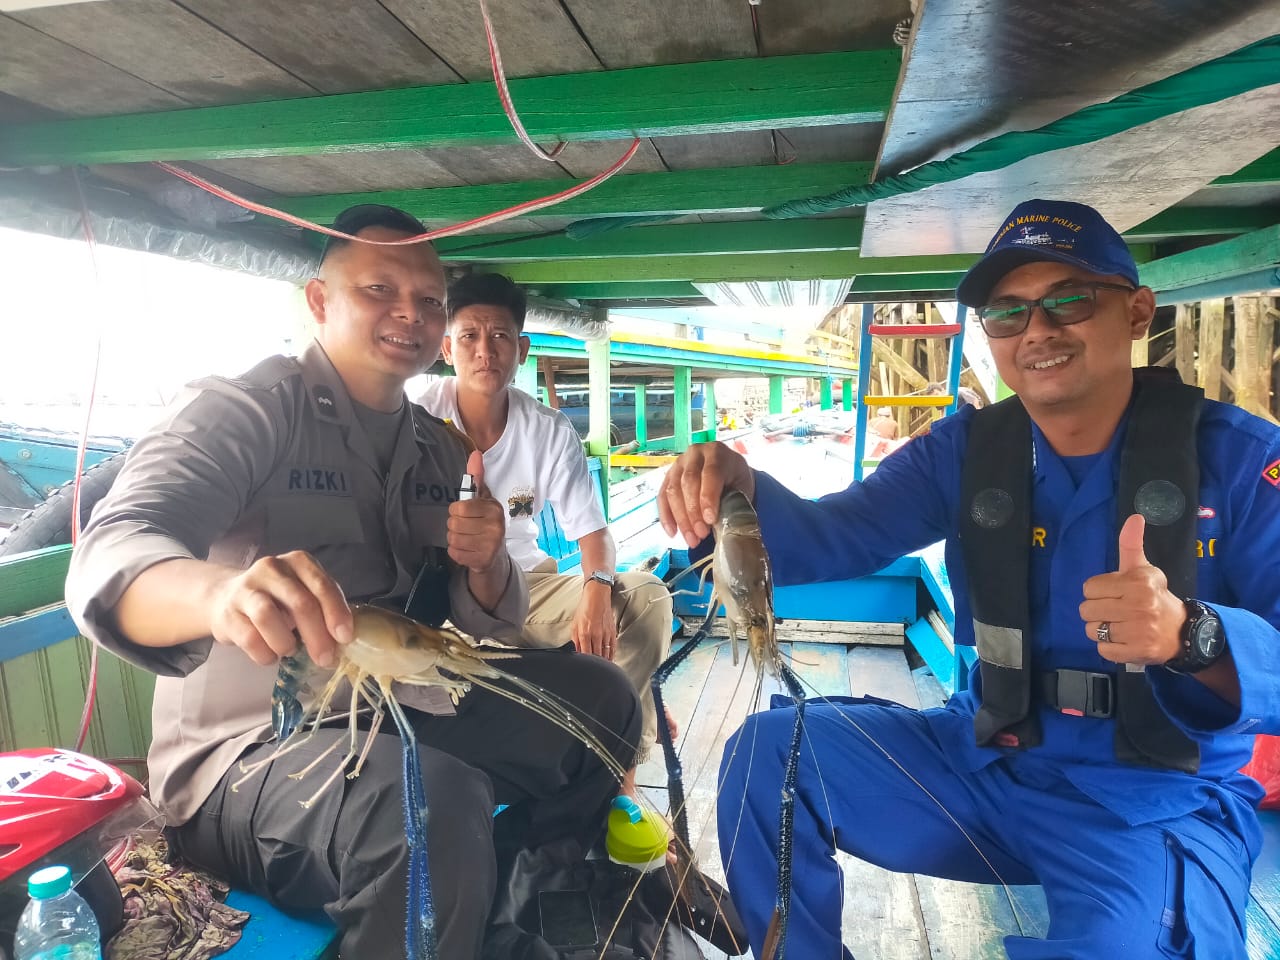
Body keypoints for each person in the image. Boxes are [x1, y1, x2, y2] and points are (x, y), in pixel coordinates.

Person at [657, 198, 1280, 959]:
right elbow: (831, 537)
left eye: (1069, 301)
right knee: (770, 754)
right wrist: (738, 492)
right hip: (986, 758)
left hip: (1151, 798)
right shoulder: (962, 451)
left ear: (1138, 311)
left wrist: (1194, 637)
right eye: (1007, 313)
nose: (1037, 331)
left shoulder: (1244, 463)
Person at [64, 204, 640, 959]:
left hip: (397, 706)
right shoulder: (246, 411)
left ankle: (526, 892)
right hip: (251, 752)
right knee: (430, 803)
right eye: (379, 289)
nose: (411, 313)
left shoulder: (439, 450)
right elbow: (114, 547)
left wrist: (488, 563)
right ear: (319, 300)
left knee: (602, 700)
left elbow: (484, 627)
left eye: (429, 299)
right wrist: (220, 593)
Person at [416, 272, 674, 797]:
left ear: (522, 349)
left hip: (523, 591)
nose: (484, 350)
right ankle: (634, 713)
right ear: (446, 348)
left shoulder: (548, 429)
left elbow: (594, 534)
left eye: (500, 336)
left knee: (647, 599)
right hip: (439, 598)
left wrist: (597, 589)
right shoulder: (416, 419)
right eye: (469, 336)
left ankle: (620, 776)